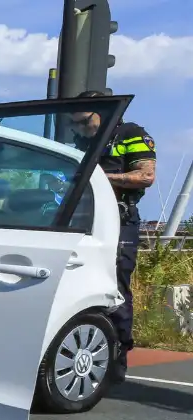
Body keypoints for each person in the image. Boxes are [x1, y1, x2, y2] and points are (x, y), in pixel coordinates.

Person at [69, 90, 157, 385]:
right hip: (82, 219)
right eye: (75, 124)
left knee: (115, 284)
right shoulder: (82, 140)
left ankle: (118, 358)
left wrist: (96, 177)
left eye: (84, 122)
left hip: (119, 220)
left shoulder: (131, 134)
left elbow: (145, 176)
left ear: (102, 115)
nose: (80, 129)